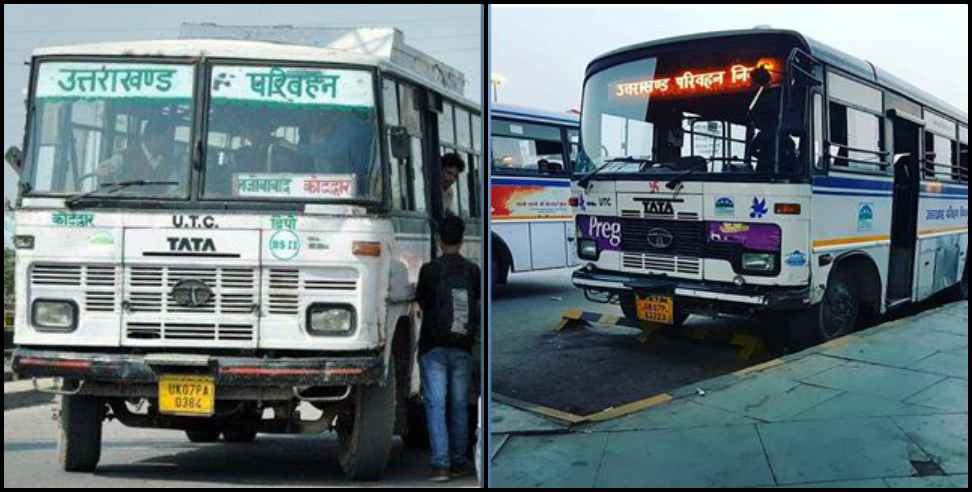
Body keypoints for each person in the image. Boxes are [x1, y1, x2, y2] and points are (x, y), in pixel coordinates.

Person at [415, 215, 481, 482]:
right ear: (462, 240)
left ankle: (440, 465)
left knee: (435, 405)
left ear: (438, 239)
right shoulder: (472, 270)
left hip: (434, 347)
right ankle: (459, 461)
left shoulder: (429, 271)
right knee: (459, 406)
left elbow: (421, 304)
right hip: (462, 346)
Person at [96, 118, 183, 189]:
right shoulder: (127, 156)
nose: (170, 143)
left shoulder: (165, 164)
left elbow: (173, 190)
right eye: (168, 138)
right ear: (154, 137)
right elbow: (102, 170)